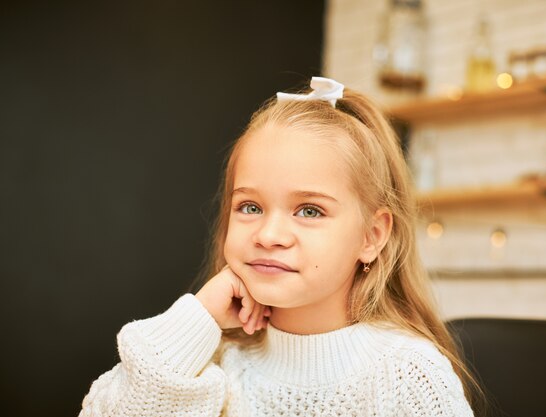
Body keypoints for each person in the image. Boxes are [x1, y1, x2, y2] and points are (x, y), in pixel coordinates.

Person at [79, 77, 477, 416]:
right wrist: (196, 321)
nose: (268, 235)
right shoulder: (209, 359)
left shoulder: (407, 376)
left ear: (372, 237)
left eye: (309, 211)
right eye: (250, 206)